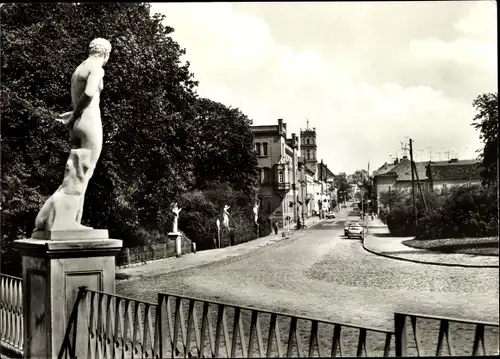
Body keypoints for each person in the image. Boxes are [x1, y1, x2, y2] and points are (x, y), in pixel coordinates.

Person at [55, 38, 112, 223]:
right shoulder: (97, 68)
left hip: (77, 123)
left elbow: (78, 95)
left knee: (73, 173)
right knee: (84, 175)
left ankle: (61, 218)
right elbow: (88, 94)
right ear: (105, 53)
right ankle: (71, 223)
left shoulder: (79, 68)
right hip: (89, 122)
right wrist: (74, 115)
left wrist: (73, 117)